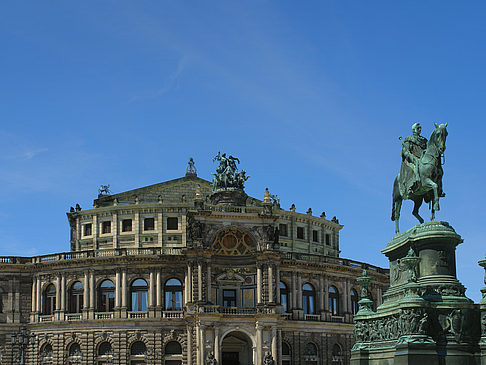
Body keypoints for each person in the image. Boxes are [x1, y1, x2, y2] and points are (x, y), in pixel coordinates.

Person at [400, 123, 427, 195]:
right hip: (412, 160)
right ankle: (410, 187)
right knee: (415, 168)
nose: (420, 129)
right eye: (418, 128)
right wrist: (412, 158)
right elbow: (405, 152)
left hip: (423, 160)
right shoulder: (409, 139)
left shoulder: (424, 141)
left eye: (420, 128)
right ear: (413, 130)